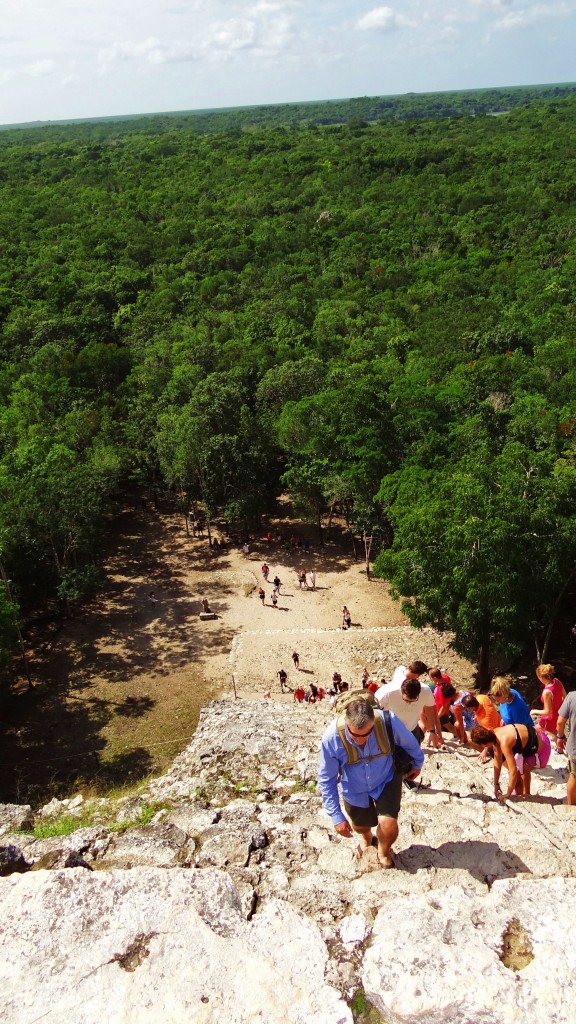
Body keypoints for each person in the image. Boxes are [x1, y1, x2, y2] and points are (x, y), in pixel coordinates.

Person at [318, 698, 424, 868]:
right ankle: (366, 837)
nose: (361, 740)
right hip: (354, 786)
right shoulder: (332, 738)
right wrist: (336, 816)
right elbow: (326, 778)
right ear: (346, 724)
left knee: (389, 825)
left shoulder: (387, 722)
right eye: (355, 735)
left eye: (367, 734)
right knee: (360, 825)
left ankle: (383, 851)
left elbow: (410, 743)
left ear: (373, 723)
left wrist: (418, 763)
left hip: (386, 778)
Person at [470, 722, 551, 800]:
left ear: (484, 744)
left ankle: (527, 794)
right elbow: (497, 763)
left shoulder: (504, 743)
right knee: (520, 767)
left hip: (543, 749)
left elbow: (513, 771)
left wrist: (508, 793)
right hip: (537, 736)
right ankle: (525, 793)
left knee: (522, 769)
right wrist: (496, 784)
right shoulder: (495, 733)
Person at [376, 676, 443, 749]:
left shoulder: (426, 692)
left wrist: (432, 731)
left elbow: (429, 709)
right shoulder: (386, 693)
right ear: (401, 691)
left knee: (414, 754)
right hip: (391, 730)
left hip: (412, 729)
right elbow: (376, 713)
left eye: (413, 701)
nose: (409, 703)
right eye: (406, 700)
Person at [535, 664, 566, 738]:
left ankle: (558, 748)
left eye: (538, 677)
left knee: (536, 730)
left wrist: (534, 711)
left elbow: (547, 711)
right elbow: (565, 697)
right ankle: (562, 747)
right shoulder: (557, 681)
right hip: (559, 713)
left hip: (549, 718)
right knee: (556, 733)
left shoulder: (547, 692)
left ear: (542, 677)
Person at [556, 691, 576, 804]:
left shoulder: (572, 696)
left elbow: (560, 722)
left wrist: (561, 736)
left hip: (574, 747)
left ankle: (572, 806)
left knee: (574, 776)